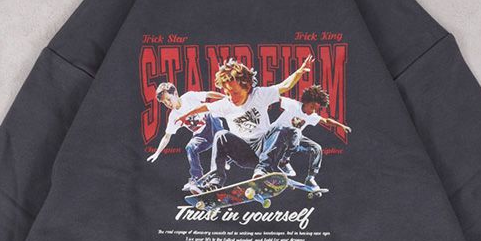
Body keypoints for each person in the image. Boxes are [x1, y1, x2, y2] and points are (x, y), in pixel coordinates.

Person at [177, 54, 314, 189]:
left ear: (247, 87)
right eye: (227, 93)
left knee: (280, 128)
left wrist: (300, 71)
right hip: (243, 153)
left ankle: (264, 169)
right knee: (221, 135)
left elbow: (284, 86)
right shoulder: (225, 104)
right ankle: (215, 181)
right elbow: (206, 107)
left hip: (264, 149)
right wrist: (186, 115)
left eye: (235, 93)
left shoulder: (259, 95)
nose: (231, 98)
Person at [146, 83, 225, 192]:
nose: (168, 104)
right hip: (202, 136)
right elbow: (167, 136)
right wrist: (157, 152)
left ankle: (225, 151)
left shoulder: (189, 97)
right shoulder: (173, 116)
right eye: (164, 103)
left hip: (213, 126)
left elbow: (208, 94)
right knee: (190, 147)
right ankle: (197, 178)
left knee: (210, 114)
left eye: (168, 99)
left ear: (175, 93)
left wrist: (226, 98)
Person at [272, 85, 352, 191]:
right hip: (275, 134)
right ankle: (284, 161)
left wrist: (341, 126)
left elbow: (326, 121)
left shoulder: (311, 116)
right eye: (312, 107)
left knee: (316, 148)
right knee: (295, 132)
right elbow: (277, 98)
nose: (313, 111)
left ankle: (310, 178)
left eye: (316, 109)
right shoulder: (293, 105)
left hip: (293, 139)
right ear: (306, 102)